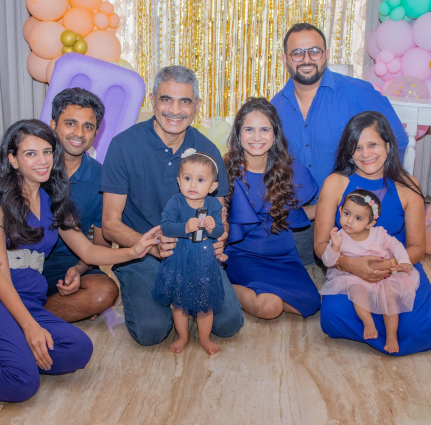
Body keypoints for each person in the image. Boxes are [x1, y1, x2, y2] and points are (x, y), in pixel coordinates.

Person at [0, 120, 159, 401]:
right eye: (30, 153)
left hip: (29, 297)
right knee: (22, 383)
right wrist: (30, 327)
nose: (42, 161)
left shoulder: (54, 199)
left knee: (78, 348)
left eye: (47, 151)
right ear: (13, 159)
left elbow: (87, 252)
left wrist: (134, 250)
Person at [0, 88, 118, 323]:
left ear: (97, 131)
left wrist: (79, 269)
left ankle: (5, 316)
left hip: (61, 264)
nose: (79, 133)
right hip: (12, 258)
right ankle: (28, 316)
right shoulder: (21, 165)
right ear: (53, 124)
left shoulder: (103, 179)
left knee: (103, 292)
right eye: (71, 123)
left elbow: (98, 245)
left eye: (88, 126)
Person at [100, 65, 244, 346]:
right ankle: (168, 298)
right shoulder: (123, 146)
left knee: (228, 325)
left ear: (197, 106)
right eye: (166, 99)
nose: (175, 110)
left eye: (185, 101)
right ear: (152, 101)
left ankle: (184, 299)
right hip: (144, 255)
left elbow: (219, 212)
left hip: (198, 254)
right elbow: (110, 224)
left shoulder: (208, 151)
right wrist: (149, 246)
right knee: (151, 332)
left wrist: (220, 237)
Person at [270, 23, 409, 266]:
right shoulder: (275, 106)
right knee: (297, 274)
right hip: (302, 216)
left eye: (314, 51)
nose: (306, 59)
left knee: (365, 278)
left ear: (325, 54)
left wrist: (375, 191)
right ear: (285, 59)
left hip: (354, 214)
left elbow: (397, 138)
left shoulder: (357, 93)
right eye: (297, 53)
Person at [315, 111, 429, 356]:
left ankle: (392, 329)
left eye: (373, 144)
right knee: (333, 316)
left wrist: (387, 265)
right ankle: (380, 325)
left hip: (398, 266)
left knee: (417, 329)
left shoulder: (408, 187)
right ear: (349, 152)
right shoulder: (335, 183)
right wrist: (351, 264)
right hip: (347, 269)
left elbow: (417, 247)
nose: (365, 154)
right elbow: (321, 244)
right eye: (357, 147)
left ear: (388, 145)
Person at [223, 97, 321, 319]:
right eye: (249, 129)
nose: (257, 137)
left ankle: (268, 293)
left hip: (284, 257)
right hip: (242, 255)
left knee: (312, 303)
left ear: (275, 135)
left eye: (264, 129)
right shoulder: (225, 168)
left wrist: (333, 206)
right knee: (270, 308)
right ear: (238, 134)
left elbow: (297, 215)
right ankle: (220, 287)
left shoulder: (290, 170)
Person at [319, 189, 419, 354]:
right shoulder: (340, 237)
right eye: (346, 213)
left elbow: (396, 246)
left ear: (370, 223)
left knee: (389, 298)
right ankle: (368, 321)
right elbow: (328, 262)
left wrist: (403, 261)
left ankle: (391, 335)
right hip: (355, 276)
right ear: (340, 210)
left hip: (384, 275)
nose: (349, 221)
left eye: (358, 218)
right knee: (355, 289)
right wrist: (334, 247)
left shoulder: (379, 234)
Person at [152, 150, 225, 355]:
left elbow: (220, 231)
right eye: (187, 178)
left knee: (205, 303)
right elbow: (165, 227)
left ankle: (204, 338)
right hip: (179, 260)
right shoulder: (175, 202)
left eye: (200, 180)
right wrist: (184, 227)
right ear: (178, 180)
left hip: (205, 262)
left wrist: (212, 228)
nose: (193, 185)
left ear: (212, 186)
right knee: (179, 302)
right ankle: (183, 335)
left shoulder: (212, 205)